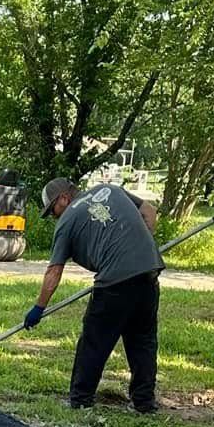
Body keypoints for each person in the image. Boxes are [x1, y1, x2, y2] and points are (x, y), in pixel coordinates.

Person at [22, 176, 163, 412]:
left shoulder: (66, 221)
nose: (54, 216)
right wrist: (141, 244)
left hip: (115, 281)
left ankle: (80, 400)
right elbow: (149, 211)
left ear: (64, 198)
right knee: (143, 340)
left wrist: (39, 308)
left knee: (94, 341)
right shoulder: (109, 189)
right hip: (149, 271)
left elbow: (54, 271)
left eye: (53, 209)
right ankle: (144, 403)